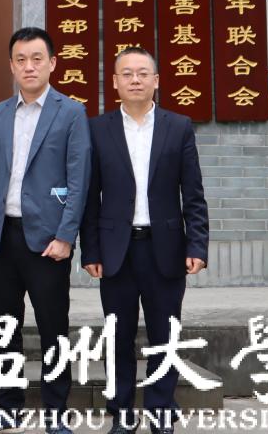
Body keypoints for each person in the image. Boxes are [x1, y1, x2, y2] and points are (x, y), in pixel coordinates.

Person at [80, 47, 209, 434]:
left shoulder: (178, 126)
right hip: (116, 250)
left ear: (156, 80)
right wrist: (91, 250)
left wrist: (197, 245)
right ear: (115, 82)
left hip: (165, 248)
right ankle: (122, 412)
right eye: (127, 73)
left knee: (164, 334)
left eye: (142, 73)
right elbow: (90, 197)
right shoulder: (97, 129)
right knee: (117, 336)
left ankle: (160, 410)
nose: (135, 80)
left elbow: (193, 194)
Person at [0, 26, 90, 434]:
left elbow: (79, 181)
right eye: (21, 60)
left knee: (54, 329)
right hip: (2, 237)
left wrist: (66, 237)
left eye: (37, 59)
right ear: (11, 66)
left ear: (52, 63)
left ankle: (56, 412)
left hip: (48, 241)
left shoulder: (71, 113)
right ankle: (8, 408)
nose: (29, 66)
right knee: (4, 328)